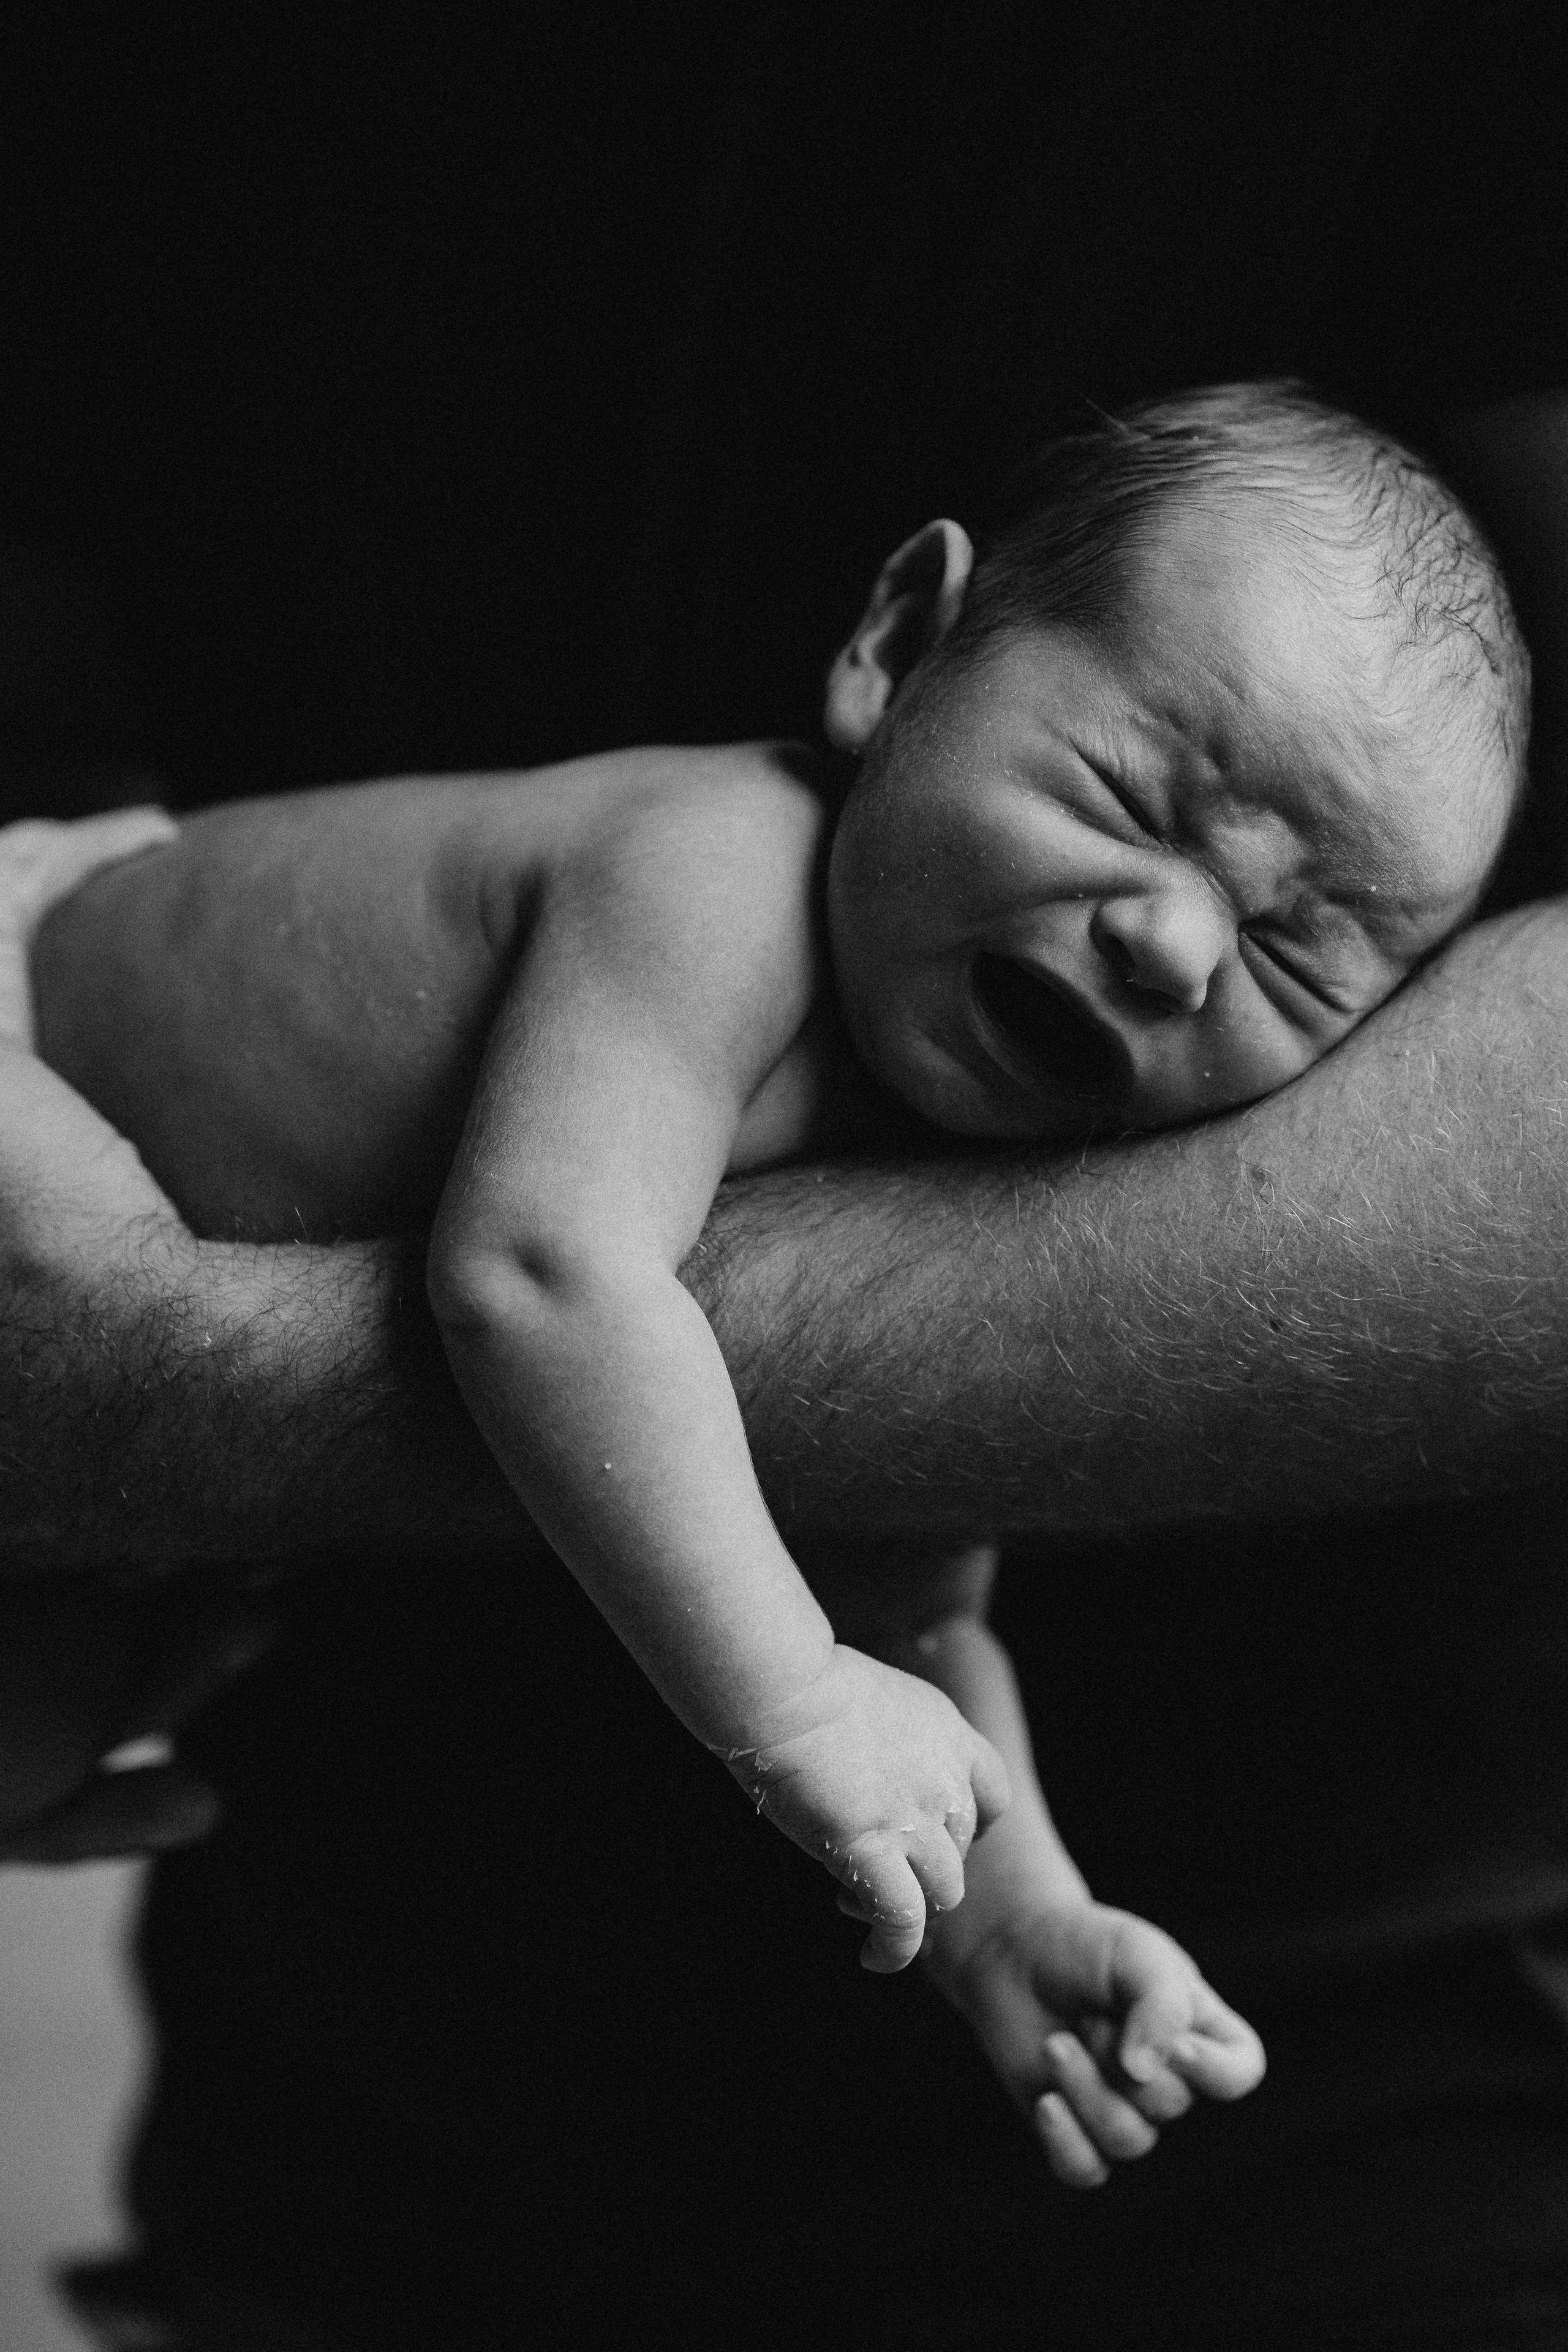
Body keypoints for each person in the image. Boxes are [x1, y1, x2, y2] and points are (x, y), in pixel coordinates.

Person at [4, 9, 1568, 2345]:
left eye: (1299, 956)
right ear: (894, 651)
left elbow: (915, 1615)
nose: (1170, 943)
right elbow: (541, 1280)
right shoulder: (718, 870)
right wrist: (798, 1714)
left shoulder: (943, 1134)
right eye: (1131, 800)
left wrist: (1009, 1924)